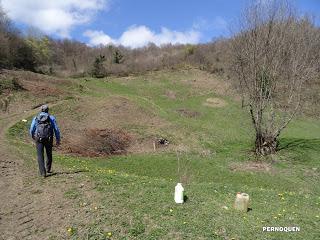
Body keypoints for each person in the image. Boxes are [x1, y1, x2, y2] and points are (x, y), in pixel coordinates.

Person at [29, 105, 61, 177]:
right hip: (49, 138)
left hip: (38, 138)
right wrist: (58, 139)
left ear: (41, 110)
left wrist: (32, 136)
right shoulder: (51, 118)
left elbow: (31, 129)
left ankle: (43, 173)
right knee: (49, 153)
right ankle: (48, 169)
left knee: (40, 155)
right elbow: (56, 129)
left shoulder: (36, 118)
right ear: (48, 110)